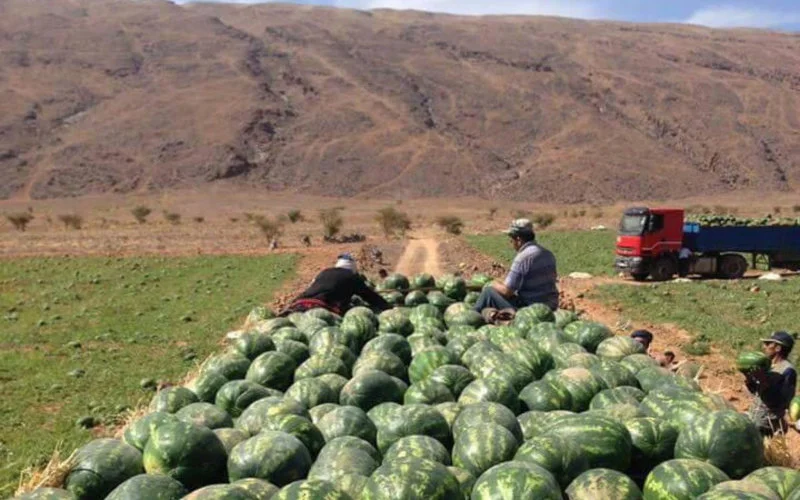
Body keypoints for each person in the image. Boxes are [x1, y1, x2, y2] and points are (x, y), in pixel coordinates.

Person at [473, 219, 559, 314]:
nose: (510, 242)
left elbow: (507, 291)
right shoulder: (548, 254)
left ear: (518, 239)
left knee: (488, 292)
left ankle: (472, 315)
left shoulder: (522, 258)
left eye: (511, 239)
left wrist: (491, 283)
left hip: (530, 310)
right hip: (550, 307)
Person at [280, 254, 390, 316]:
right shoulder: (352, 277)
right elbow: (370, 296)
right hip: (322, 310)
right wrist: (388, 307)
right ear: (352, 269)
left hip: (300, 303)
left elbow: (311, 288)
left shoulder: (324, 272)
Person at [745, 331, 797, 435]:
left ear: (778, 348)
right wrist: (749, 379)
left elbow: (782, 401)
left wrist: (763, 381)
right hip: (755, 418)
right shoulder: (766, 366)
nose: (764, 347)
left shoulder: (788, 371)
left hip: (768, 425)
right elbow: (756, 392)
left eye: (768, 344)